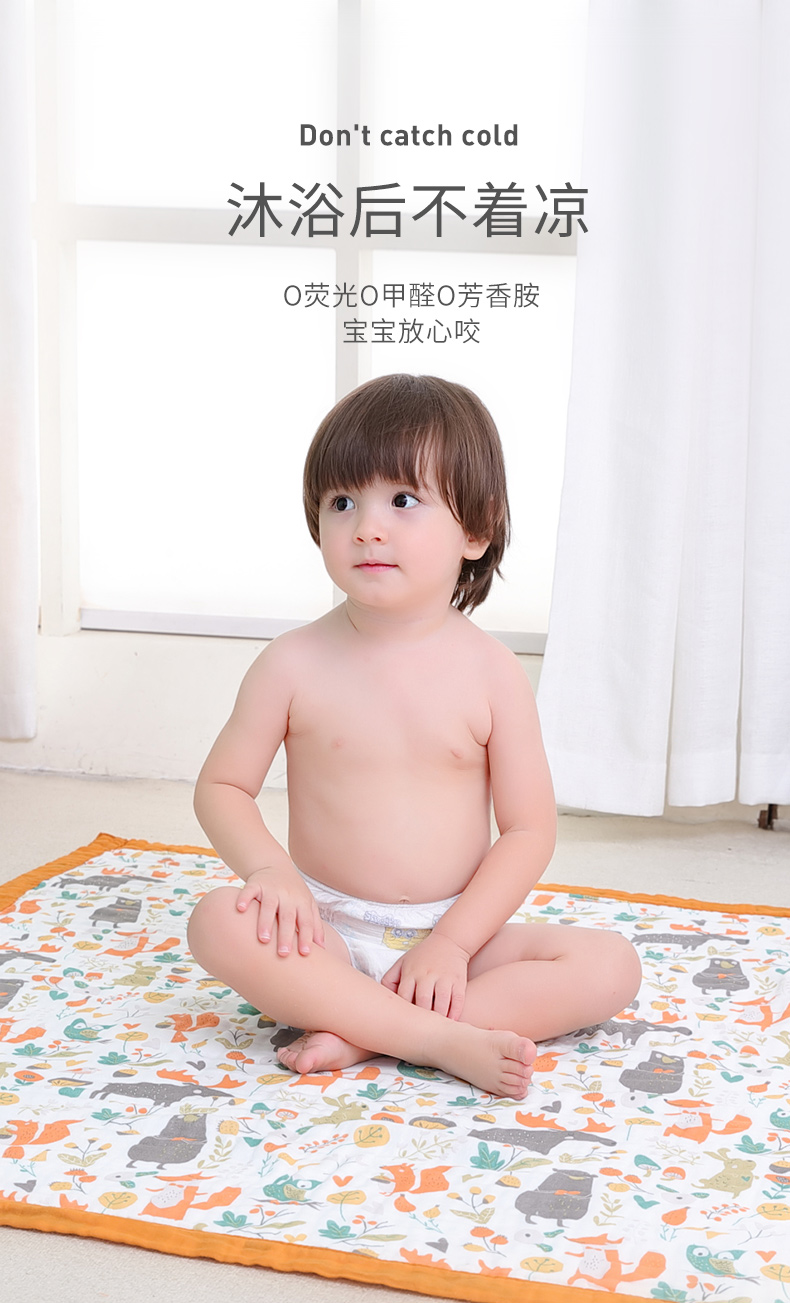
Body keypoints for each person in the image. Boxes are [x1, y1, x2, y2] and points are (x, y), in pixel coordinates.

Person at [187, 374, 641, 1100]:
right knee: (215, 922)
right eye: (343, 502)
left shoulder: (493, 674)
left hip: (456, 931)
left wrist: (452, 944)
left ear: (476, 531)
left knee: (612, 965)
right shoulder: (291, 663)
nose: (368, 527)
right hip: (325, 929)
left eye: (403, 500)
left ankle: (362, 1030)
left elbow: (529, 829)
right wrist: (271, 873)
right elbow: (223, 786)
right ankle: (432, 1037)